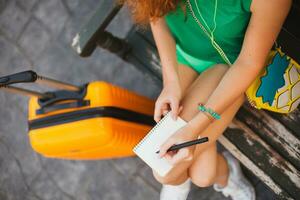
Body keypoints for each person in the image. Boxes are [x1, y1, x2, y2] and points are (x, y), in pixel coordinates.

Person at [119, 0, 292, 199]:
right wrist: (171, 81)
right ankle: (225, 174)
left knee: (169, 173)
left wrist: (195, 126)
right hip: (183, 57)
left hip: (228, 68)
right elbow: (154, 12)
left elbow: (248, 63)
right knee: (201, 175)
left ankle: (225, 174)